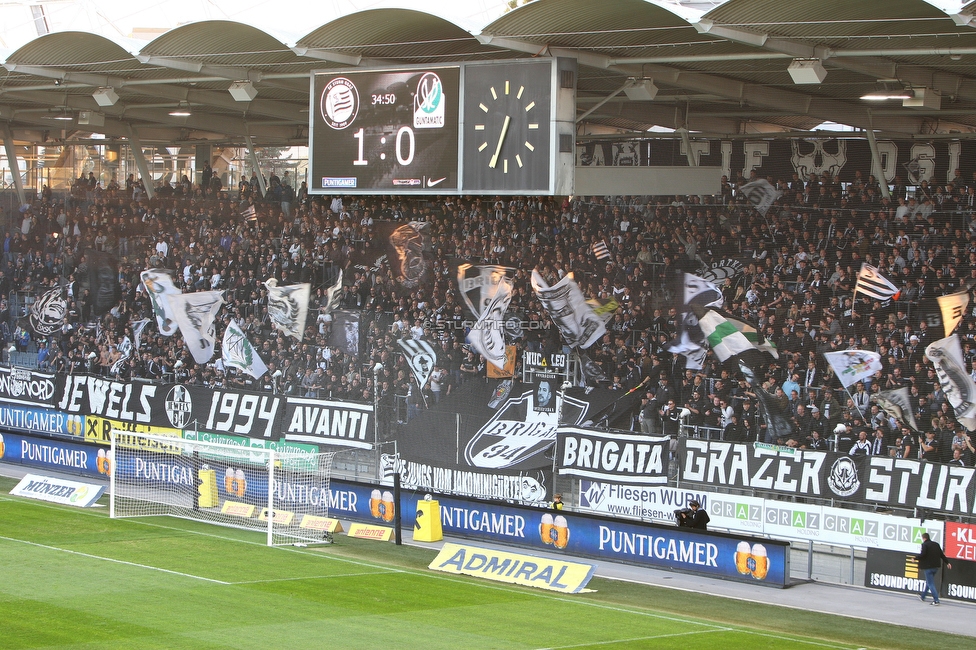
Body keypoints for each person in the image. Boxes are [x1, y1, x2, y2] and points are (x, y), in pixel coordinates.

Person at [916, 532, 951, 605]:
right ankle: (923, 596)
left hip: (928, 567)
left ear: (924, 538)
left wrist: (915, 558)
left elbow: (923, 555)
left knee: (930, 583)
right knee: (929, 582)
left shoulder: (924, 545)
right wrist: (947, 563)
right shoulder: (936, 544)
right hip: (936, 567)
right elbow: (942, 555)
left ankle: (936, 600)